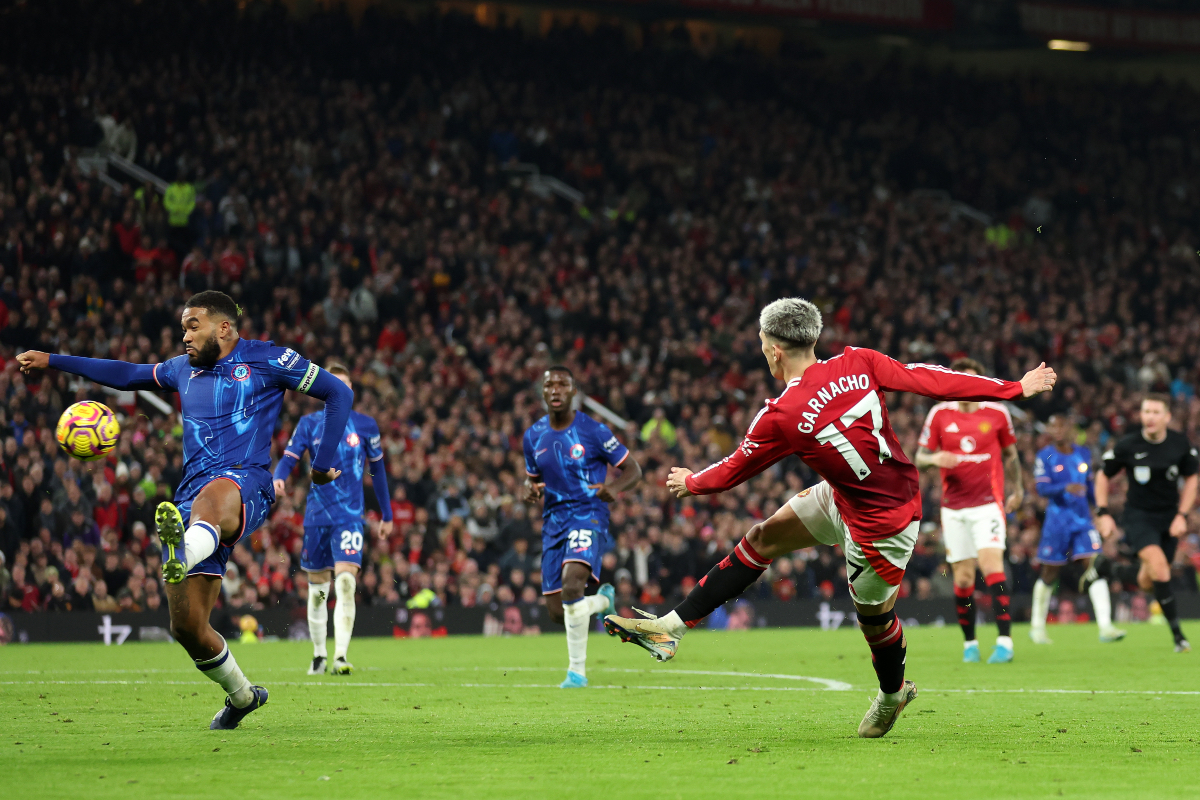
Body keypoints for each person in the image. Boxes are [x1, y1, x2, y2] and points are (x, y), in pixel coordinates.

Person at [604, 297, 1057, 738]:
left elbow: (731, 472)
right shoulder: (860, 361)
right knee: (763, 537)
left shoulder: (780, 414)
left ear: (774, 350)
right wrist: (1013, 388)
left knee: (875, 620)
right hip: (848, 495)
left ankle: (893, 693)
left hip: (883, 526)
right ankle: (670, 628)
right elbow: (931, 380)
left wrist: (691, 481)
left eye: (763, 346)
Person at [17, 290, 353, 729]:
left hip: (246, 482)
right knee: (188, 627)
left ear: (225, 327)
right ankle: (242, 695)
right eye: (183, 328)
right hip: (191, 500)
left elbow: (337, 394)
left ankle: (183, 548)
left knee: (211, 500)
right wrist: (54, 360)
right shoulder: (181, 370)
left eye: (194, 326)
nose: (185, 336)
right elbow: (124, 374)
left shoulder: (271, 360)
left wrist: (324, 463)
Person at [523, 366, 642, 688]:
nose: (556, 390)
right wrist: (528, 489)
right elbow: (533, 480)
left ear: (573, 391)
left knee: (572, 586)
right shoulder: (533, 435)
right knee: (557, 611)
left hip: (588, 513)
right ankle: (603, 602)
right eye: (550, 385)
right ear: (544, 393)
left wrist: (614, 490)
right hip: (553, 522)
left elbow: (633, 469)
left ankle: (577, 673)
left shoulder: (594, 430)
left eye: (563, 384)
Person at [273, 362, 393, 676]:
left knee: (345, 582)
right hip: (316, 517)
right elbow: (290, 456)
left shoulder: (366, 425)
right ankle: (318, 654)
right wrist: (280, 476)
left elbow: (378, 472)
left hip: (350, 516)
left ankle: (340, 655)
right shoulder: (309, 424)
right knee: (318, 592)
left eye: (345, 386)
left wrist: (387, 513)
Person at [915, 357, 1022, 664]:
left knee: (991, 566)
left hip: (988, 504)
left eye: (970, 381)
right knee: (962, 579)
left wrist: (1019, 489)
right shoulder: (939, 414)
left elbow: (1011, 455)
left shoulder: (998, 412)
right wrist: (937, 459)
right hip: (954, 509)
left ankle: (1004, 641)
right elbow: (920, 457)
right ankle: (970, 644)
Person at [1095, 395, 1196, 653]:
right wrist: (1103, 511)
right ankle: (1178, 637)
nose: (1149, 417)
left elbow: (1192, 477)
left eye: (1155, 412)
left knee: (1148, 580)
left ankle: (1109, 569)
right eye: (1146, 411)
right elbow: (1103, 475)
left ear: (1167, 417)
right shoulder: (1129, 444)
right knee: (1161, 569)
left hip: (1168, 518)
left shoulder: (1179, 444)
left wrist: (1182, 515)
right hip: (1138, 517)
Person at [1029, 414, 1125, 644]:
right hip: (1057, 521)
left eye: (1061, 424)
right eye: (1053, 426)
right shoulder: (1045, 456)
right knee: (1050, 572)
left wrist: (1102, 511)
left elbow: (1091, 486)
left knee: (1094, 564)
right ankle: (1037, 627)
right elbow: (1041, 489)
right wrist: (1065, 487)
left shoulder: (1083, 453)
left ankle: (1105, 627)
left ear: (1070, 427)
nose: (1057, 429)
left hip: (1082, 520)